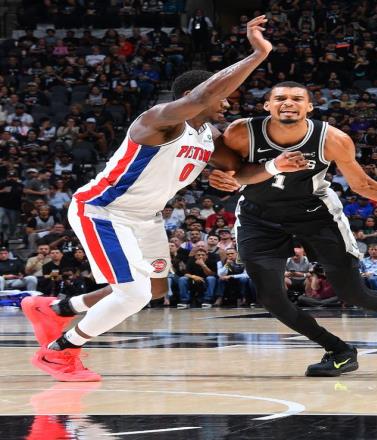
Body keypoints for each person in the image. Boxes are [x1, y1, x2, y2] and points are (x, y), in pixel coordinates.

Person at [22, 17, 307, 381]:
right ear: (197, 94)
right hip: (105, 210)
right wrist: (258, 55)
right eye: (223, 97)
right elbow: (201, 97)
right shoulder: (159, 120)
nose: (226, 104)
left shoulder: (208, 135)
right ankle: (59, 352)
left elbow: (238, 171)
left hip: (147, 217)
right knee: (133, 294)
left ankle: (56, 310)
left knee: (155, 288)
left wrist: (272, 166)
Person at [209, 81, 377, 377]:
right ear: (267, 105)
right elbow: (229, 168)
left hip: (315, 214)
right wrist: (220, 177)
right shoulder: (241, 132)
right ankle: (339, 350)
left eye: (297, 98)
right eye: (280, 98)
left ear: (309, 107)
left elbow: (363, 184)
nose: (288, 103)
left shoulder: (332, 139)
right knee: (271, 299)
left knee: (353, 292)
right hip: (259, 217)